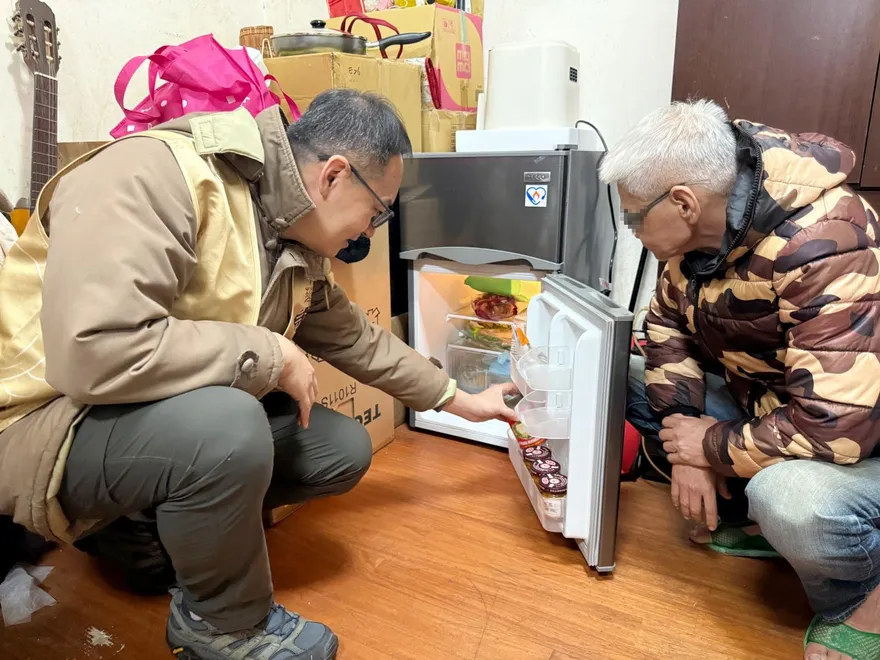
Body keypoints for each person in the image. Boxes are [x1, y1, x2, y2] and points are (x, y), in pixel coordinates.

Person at [0, 89, 517, 660]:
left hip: (125, 420)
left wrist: (459, 398)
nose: (370, 233)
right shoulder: (156, 173)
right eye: (377, 212)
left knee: (339, 446)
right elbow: (95, 351)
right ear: (333, 177)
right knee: (229, 424)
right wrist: (268, 351)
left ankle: (141, 532)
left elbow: (359, 342)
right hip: (39, 422)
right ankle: (222, 627)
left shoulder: (288, 237)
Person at [600, 99, 880, 660]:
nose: (631, 230)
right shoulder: (694, 236)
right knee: (619, 373)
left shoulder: (825, 240)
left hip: (854, 435)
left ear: (682, 202)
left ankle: (859, 598)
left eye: (633, 217)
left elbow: (835, 428)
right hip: (774, 405)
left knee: (792, 501)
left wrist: (705, 446)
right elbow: (665, 329)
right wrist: (685, 448)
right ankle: (753, 521)